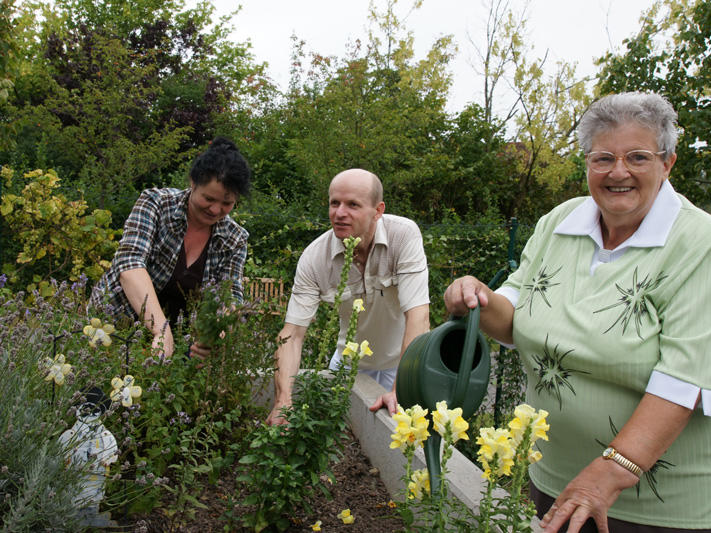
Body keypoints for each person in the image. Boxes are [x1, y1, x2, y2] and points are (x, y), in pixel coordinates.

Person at [445, 92, 711, 532]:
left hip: (657, 508)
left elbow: (683, 379)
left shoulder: (699, 243)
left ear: (668, 164)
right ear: (587, 163)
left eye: (638, 157)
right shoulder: (560, 222)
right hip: (555, 482)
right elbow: (513, 314)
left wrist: (608, 472)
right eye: (603, 158)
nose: (618, 172)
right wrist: (478, 297)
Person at [266, 168, 430, 425]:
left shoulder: (403, 236)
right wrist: (283, 401)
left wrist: (400, 390)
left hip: (401, 367)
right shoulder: (314, 258)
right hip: (345, 368)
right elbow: (292, 334)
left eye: (353, 204)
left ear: (378, 210)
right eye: (334, 203)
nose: (339, 213)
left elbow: (418, 317)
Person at [90, 137, 250, 359]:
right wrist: (161, 330)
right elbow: (129, 264)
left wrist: (216, 333)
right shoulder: (155, 203)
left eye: (226, 203)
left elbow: (229, 294)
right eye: (208, 198)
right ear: (193, 183)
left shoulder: (235, 239)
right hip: (116, 327)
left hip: (180, 342)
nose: (215, 210)